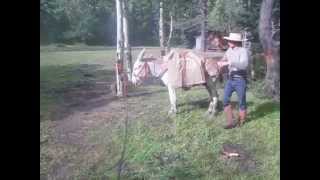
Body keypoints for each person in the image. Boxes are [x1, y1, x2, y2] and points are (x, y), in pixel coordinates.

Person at [217, 33, 249, 129]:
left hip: (240, 80)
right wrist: (221, 62)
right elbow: (224, 58)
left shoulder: (243, 51)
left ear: (235, 42)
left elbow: (244, 65)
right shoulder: (229, 50)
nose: (228, 42)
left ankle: (241, 121)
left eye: (230, 41)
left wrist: (230, 62)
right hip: (230, 80)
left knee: (241, 101)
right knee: (225, 100)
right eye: (228, 40)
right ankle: (230, 121)